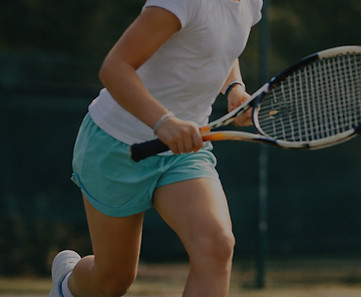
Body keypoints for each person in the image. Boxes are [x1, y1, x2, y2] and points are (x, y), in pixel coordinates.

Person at [48, 0, 262, 296]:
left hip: (184, 153)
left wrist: (234, 87)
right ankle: (66, 285)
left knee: (216, 246)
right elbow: (115, 68)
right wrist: (163, 121)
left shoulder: (251, 3)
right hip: (116, 145)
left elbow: (220, 45)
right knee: (112, 281)